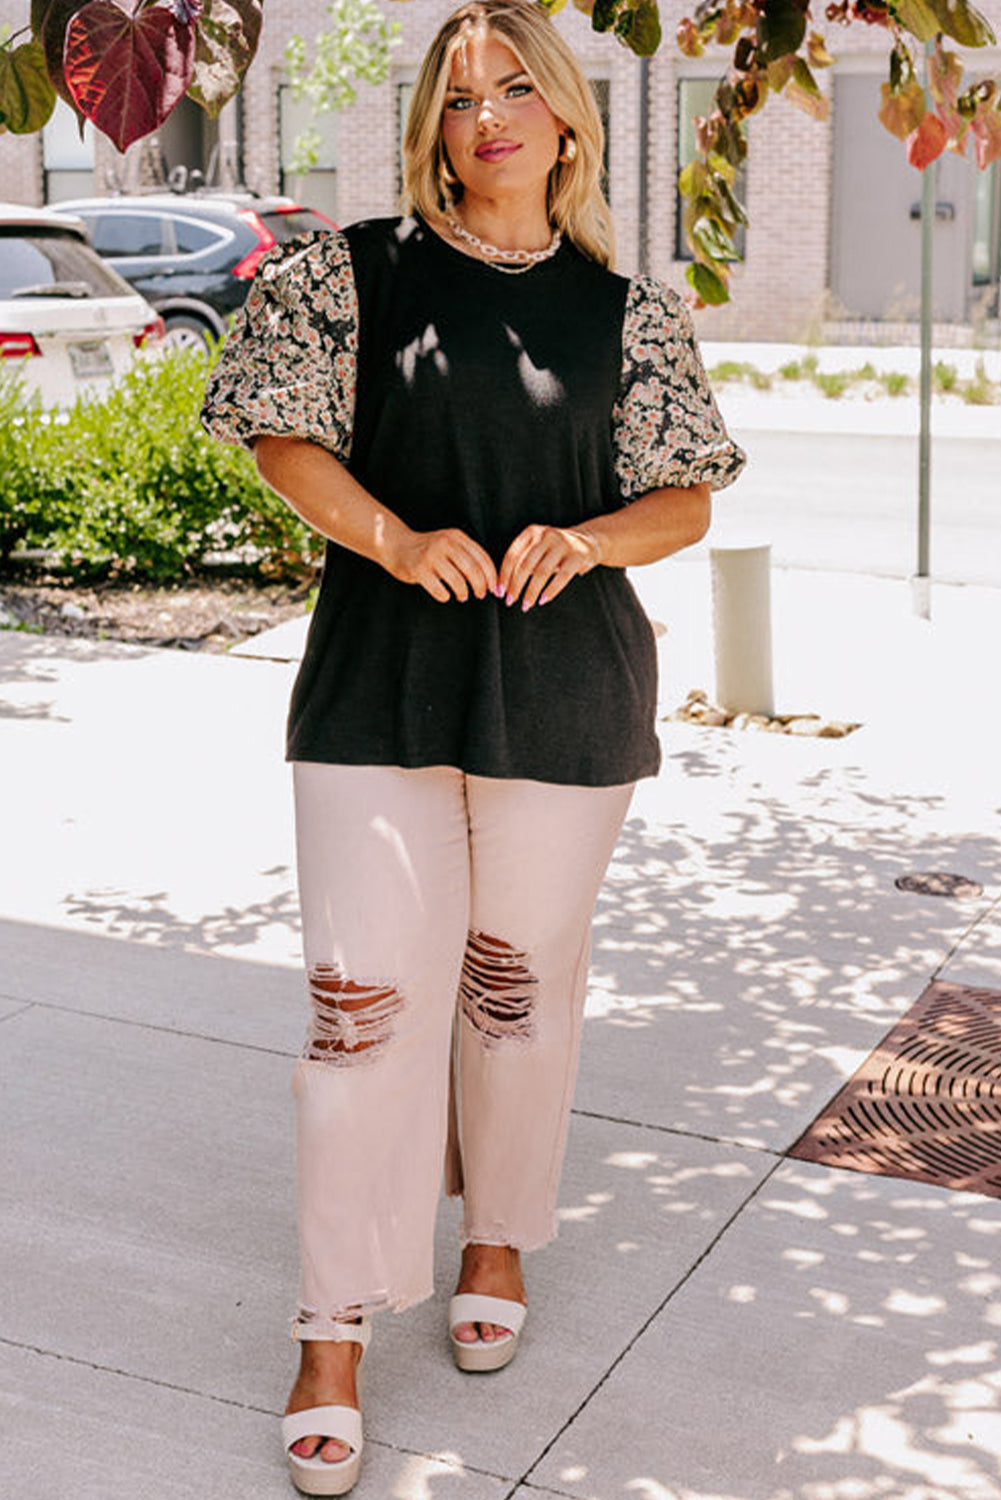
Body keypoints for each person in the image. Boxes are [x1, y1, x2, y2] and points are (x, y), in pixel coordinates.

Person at [201, 1, 745, 1491]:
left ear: (567, 117)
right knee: (360, 1004)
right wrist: (393, 537)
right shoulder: (353, 273)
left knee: (512, 995)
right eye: (458, 95)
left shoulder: (629, 310)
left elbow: (686, 497)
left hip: (564, 693)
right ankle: (330, 1325)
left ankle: (494, 1231)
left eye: (518, 87)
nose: (488, 113)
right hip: (380, 685)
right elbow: (276, 436)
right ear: (431, 127)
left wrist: (583, 538)